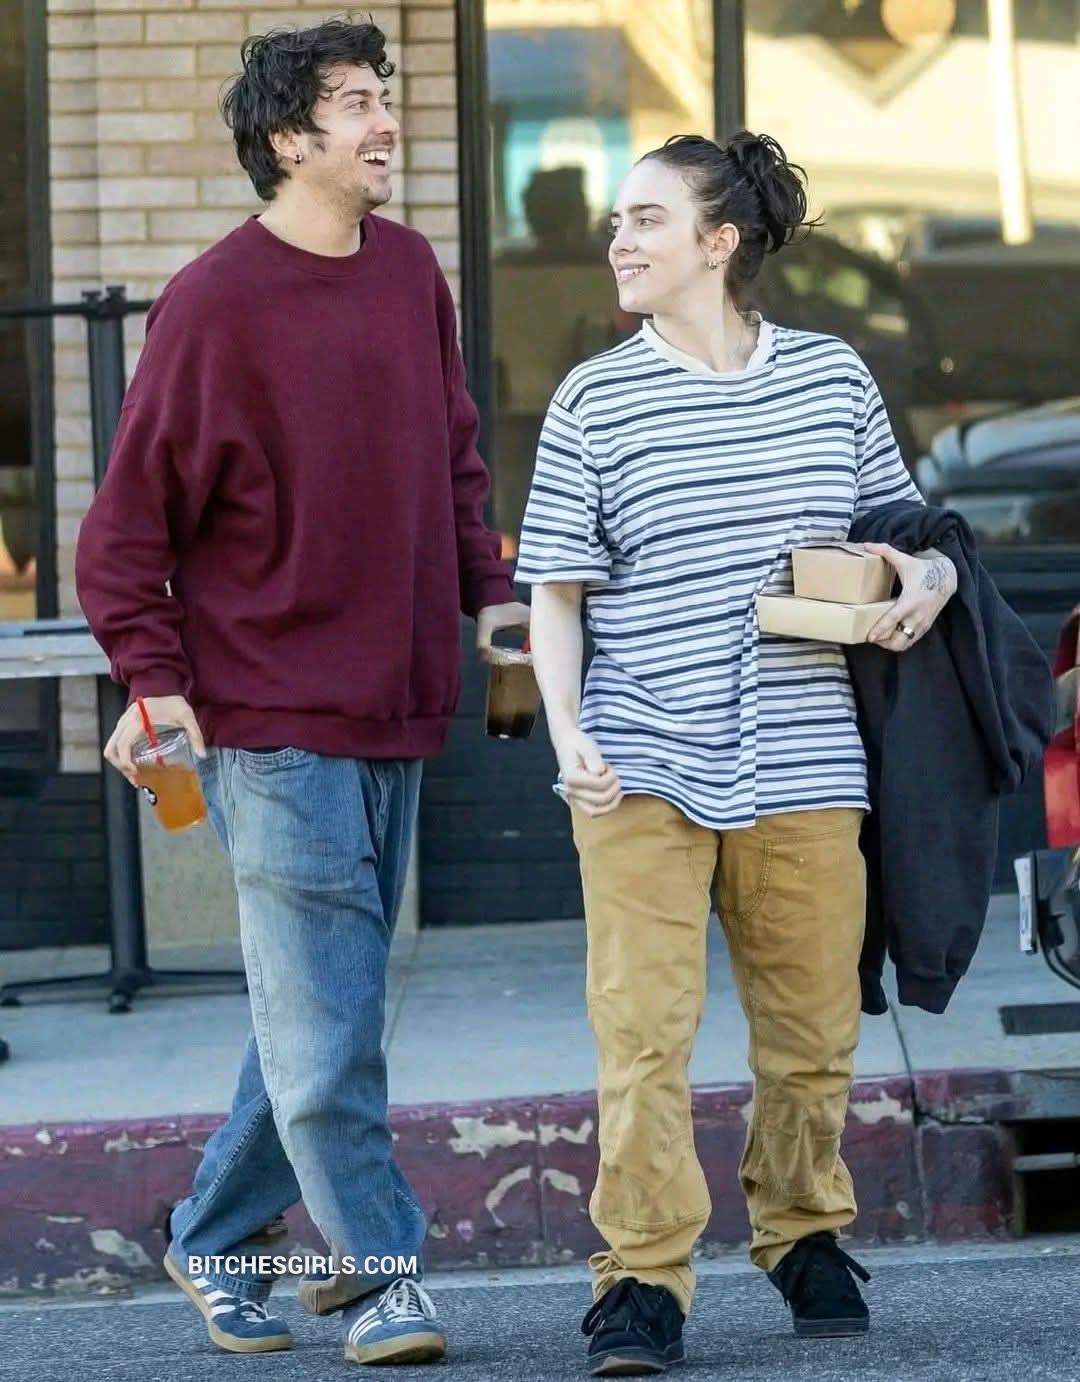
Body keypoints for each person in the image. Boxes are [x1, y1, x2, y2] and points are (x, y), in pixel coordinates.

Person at [74, 18, 528, 1368]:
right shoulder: (213, 303)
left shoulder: (410, 272)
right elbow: (123, 531)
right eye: (356, 103)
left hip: (399, 697)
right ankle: (383, 1273)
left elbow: (454, 454)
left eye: (386, 97)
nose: (387, 122)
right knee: (329, 1018)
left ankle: (214, 1235)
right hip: (267, 714)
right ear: (289, 138)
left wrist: (489, 589)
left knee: (322, 1008)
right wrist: (155, 679)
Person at [515, 131, 958, 1376]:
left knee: (812, 1027)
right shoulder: (596, 399)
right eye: (618, 220)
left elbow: (903, 531)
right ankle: (642, 1276)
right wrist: (569, 730)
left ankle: (802, 1226)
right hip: (639, 754)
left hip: (807, 748)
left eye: (646, 218)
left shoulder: (829, 378)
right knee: (644, 1033)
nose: (619, 240)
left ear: (719, 241)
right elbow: (557, 594)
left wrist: (923, 581)